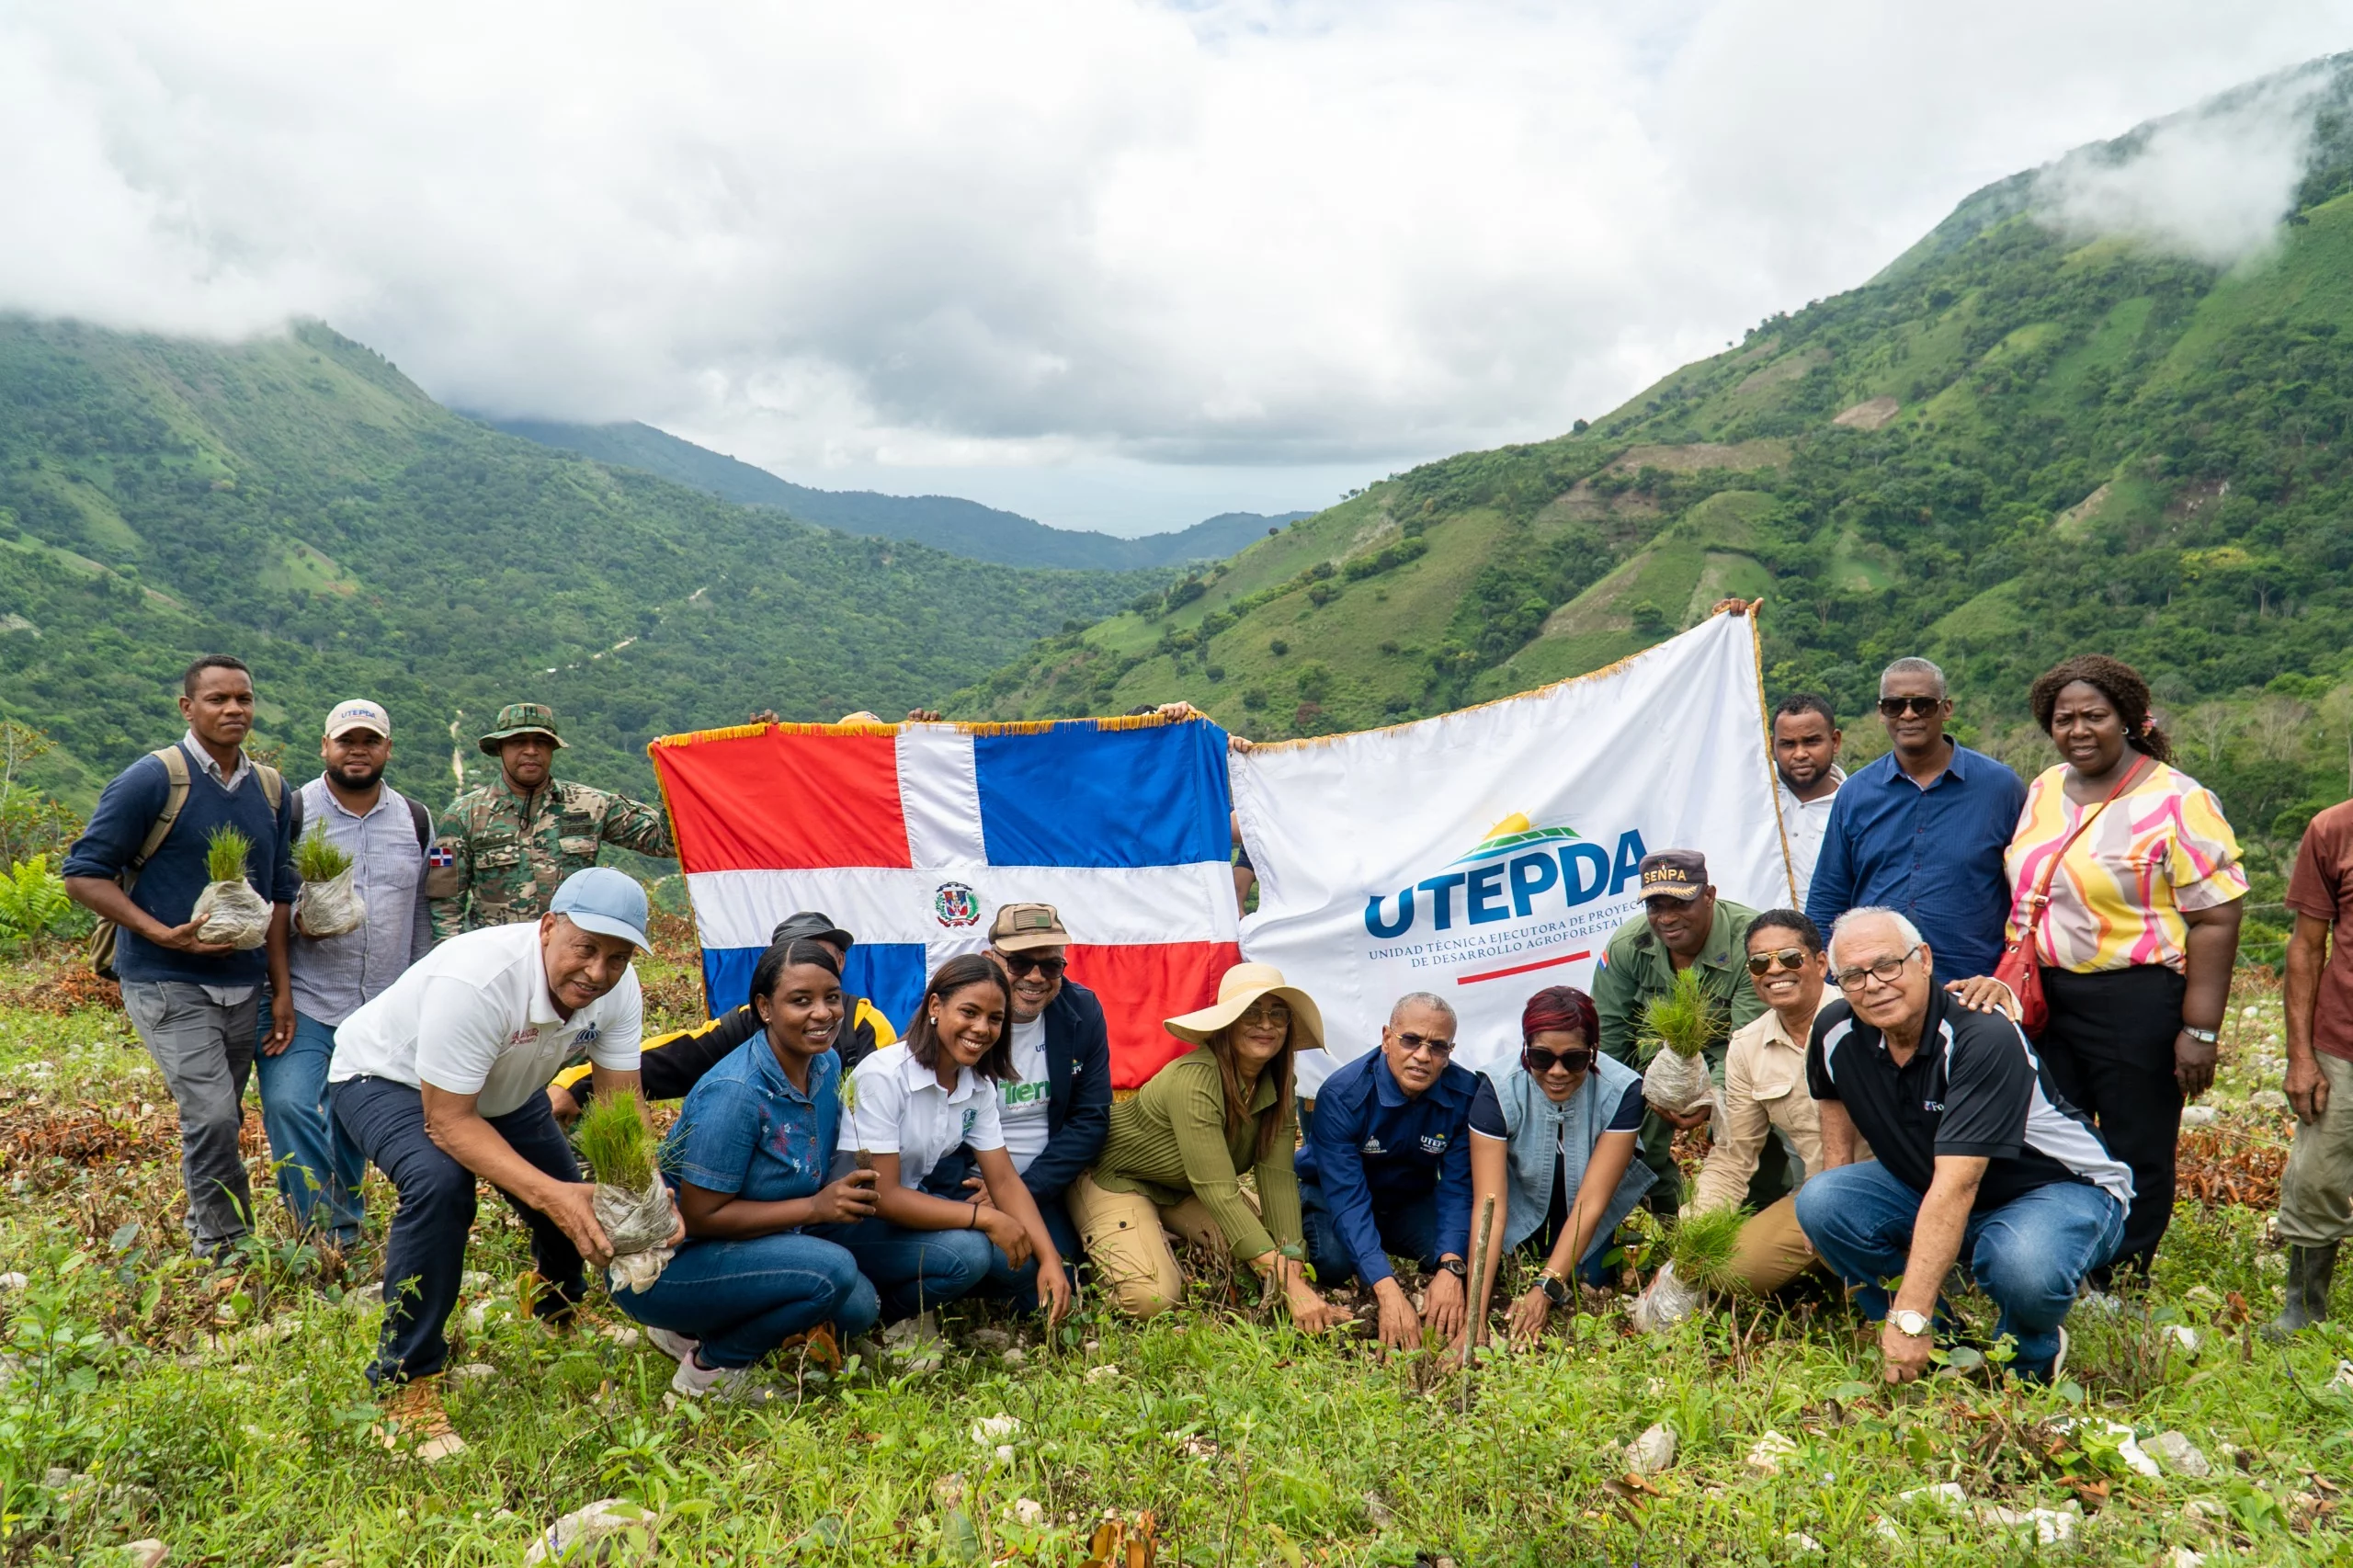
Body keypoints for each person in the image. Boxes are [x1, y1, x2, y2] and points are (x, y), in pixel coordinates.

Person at [327, 868, 656, 1456]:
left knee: (563, 1188)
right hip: (389, 1080)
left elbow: (621, 1103)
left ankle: (557, 1306)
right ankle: (406, 1383)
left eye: (618, 957)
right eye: (585, 949)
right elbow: (448, 1122)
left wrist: (645, 1194)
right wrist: (551, 1194)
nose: (598, 973)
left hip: (505, 1091)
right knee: (441, 1185)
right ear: (549, 927)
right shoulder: (480, 979)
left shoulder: (618, 990)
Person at [1951, 656, 2244, 1284]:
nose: (2079, 730)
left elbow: (2217, 919)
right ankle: (2063, 1259)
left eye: (2094, 716)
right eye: (2064, 719)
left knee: (2137, 1145)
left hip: (2136, 997)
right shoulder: (2045, 790)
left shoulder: (2178, 799)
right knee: (2053, 1134)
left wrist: (2201, 1029)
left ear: (2131, 720)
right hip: (2049, 996)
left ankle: (2124, 1275)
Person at [1795, 908, 2131, 1384]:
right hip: (1930, 1181)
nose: (1873, 984)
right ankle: (1945, 1352)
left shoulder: (1981, 1035)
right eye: (1852, 975)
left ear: (1925, 960)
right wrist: (1831, 1170)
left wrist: (1909, 1314)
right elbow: (1831, 1094)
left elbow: (1958, 1185)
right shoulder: (1835, 1029)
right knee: (1824, 1200)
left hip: (2055, 1187)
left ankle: (2028, 1359)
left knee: (2024, 1265)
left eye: (1888, 965)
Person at [63, 654, 296, 1259]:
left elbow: (276, 896)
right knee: (215, 1115)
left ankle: (224, 1233)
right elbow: (83, 875)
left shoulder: (271, 790)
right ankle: (223, 1247)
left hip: (244, 985)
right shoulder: (153, 779)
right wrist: (160, 933)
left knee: (222, 1113)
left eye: (243, 698)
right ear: (188, 708)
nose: (233, 710)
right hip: (167, 979)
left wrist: (283, 991)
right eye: (217, 699)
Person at [609, 938, 883, 1399]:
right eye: (801, 1000)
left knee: (858, 1309)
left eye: (831, 997)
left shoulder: (825, 1063)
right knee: (830, 1273)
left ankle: (691, 1329)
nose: (823, 1013)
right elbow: (699, 1217)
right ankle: (710, 1369)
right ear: (764, 1007)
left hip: (760, 1244)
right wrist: (816, 1207)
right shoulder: (737, 1091)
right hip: (671, 1265)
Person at [1070, 962, 1351, 1329]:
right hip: (1117, 1179)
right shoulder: (1195, 1079)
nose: (1266, 1025)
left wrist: (1292, 1258)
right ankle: (1107, 1239)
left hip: (1182, 1188)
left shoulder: (1279, 1082)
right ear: (1227, 1023)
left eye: (1277, 1014)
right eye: (1251, 1013)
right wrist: (1288, 1282)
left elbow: (1278, 1177)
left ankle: (1162, 1235)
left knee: (1274, 1248)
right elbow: (1218, 1190)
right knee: (1151, 1299)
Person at [823, 954, 1073, 1326]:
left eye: (994, 1018)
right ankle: (888, 1320)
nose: (982, 1028)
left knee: (1025, 1262)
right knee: (969, 1253)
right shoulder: (883, 1076)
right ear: (936, 1006)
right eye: (969, 1012)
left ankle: (917, 1284)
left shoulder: (977, 1085)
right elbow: (885, 1196)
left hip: (906, 1215)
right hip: (851, 1223)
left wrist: (1051, 1259)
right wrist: (985, 1218)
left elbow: (1003, 1180)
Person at [267, 699, 437, 1247]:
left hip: (384, 1005)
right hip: (308, 1000)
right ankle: (321, 1232)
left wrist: (420, 992)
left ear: (387, 748)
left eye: (369, 741)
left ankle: (344, 1229)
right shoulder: (291, 813)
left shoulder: (415, 818)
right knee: (292, 1104)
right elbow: (264, 908)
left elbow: (418, 911)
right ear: (325, 747)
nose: (357, 751)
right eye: (346, 741)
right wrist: (297, 936)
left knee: (348, 1121)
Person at [546, 909, 896, 1119]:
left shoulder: (865, 1025)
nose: (820, 1014)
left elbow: (883, 1110)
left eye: (822, 957)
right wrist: (575, 1084)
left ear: (841, 962)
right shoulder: (750, 1021)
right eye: (799, 957)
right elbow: (674, 1058)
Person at [1806, 657, 2027, 984]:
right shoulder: (1855, 793)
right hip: (1876, 987)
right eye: (1895, 706)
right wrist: (1830, 986)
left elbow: (2025, 895)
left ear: (1946, 708)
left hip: (1973, 985)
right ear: (1881, 712)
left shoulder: (2000, 788)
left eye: (1922, 705)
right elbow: (1829, 897)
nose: (1908, 715)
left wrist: (2006, 977)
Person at [1464, 986, 1653, 1347]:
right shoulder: (1496, 1089)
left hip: (1583, 1210)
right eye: (1540, 1058)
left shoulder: (1623, 1090)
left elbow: (1592, 1202)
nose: (1557, 1072)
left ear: (1594, 1052)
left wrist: (1547, 1286)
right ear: (1524, 1050)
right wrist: (1475, 1317)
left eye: (1575, 1060)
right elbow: (1491, 1206)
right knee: (1502, 1272)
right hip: (1519, 1208)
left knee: (1590, 1280)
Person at [1592, 849, 1777, 1213]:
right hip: (1658, 1064)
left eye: (1680, 903)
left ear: (1709, 896)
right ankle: (1671, 1218)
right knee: (1628, 1134)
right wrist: (1626, 1102)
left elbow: (1750, 1040)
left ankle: (1756, 1216)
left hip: (1737, 1058)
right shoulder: (1629, 945)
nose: (1666, 918)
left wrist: (1713, 1101)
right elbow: (1611, 1038)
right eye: (1655, 907)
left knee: (1748, 1122)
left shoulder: (1751, 940)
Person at [1688, 910, 1859, 1293]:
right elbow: (1734, 1155)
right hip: (1814, 1197)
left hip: (1888, 1188)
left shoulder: (1864, 1016)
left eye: (1790, 958)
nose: (1775, 970)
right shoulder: (1747, 1047)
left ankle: (1878, 1295)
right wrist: (1696, 1231)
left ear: (1820, 963)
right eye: (1760, 962)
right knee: (1724, 1269)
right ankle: (1826, 1268)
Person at [1296, 992, 1477, 1354]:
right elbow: (1347, 1198)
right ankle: (1358, 1244)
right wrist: (1386, 1287)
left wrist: (1451, 1267)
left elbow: (1459, 1186)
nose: (1422, 1056)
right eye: (1411, 1040)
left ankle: (1380, 1243)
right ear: (1386, 1039)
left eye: (1437, 1047)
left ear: (1449, 1053)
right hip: (1333, 1192)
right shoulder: (1342, 1095)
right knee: (1333, 1264)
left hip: (1406, 1198)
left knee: (1464, 1256)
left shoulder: (1465, 1093)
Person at [428, 702, 674, 943]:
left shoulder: (590, 805)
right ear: (500, 748)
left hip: (571, 954)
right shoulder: (462, 816)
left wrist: (670, 780)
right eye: (518, 742)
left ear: (553, 749)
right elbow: (445, 903)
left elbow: (664, 843)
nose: (531, 751)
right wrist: (454, 960)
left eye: (541, 743)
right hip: (499, 958)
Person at [963, 903, 1110, 1282]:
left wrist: (1023, 1191)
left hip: (1044, 1183)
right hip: (967, 1184)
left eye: (1050, 965)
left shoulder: (1083, 1010)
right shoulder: (958, 1013)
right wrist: (975, 1196)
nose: (1035, 976)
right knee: (1000, 1265)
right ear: (990, 959)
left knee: (1065, 1274)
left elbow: (1090, 1118)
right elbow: (928, 1124)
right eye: (1019, 962)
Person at [2268, 800, 2353, 1335]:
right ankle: (2304, 1305)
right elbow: (2306, 945)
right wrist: (2301, 1057)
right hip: (2342, 1039)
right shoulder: (2335, 828)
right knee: (2318, 1174)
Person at [1772, 695, 1845, 905]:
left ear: (1835, 741)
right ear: (1772, 746)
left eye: (1811, 742)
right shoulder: (1756, 796)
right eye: (1787, 744)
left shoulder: (1855, 807)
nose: (1800, 754)